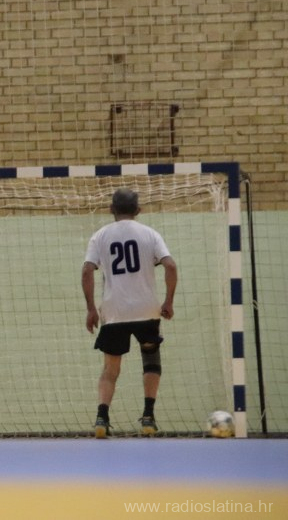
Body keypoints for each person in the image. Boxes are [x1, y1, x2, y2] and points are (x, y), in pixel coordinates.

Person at [82, 188, 177, 438]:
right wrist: (168, 301)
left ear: (111, 209)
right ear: (138, 210)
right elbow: (170, 266)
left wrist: (91, 308)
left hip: (115, 311)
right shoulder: (151, 234)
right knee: (151, 362)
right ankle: (148, 417)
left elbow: (87, 270)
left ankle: (102, 419)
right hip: (147, 311)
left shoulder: (100, 236)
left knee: (110, 369)